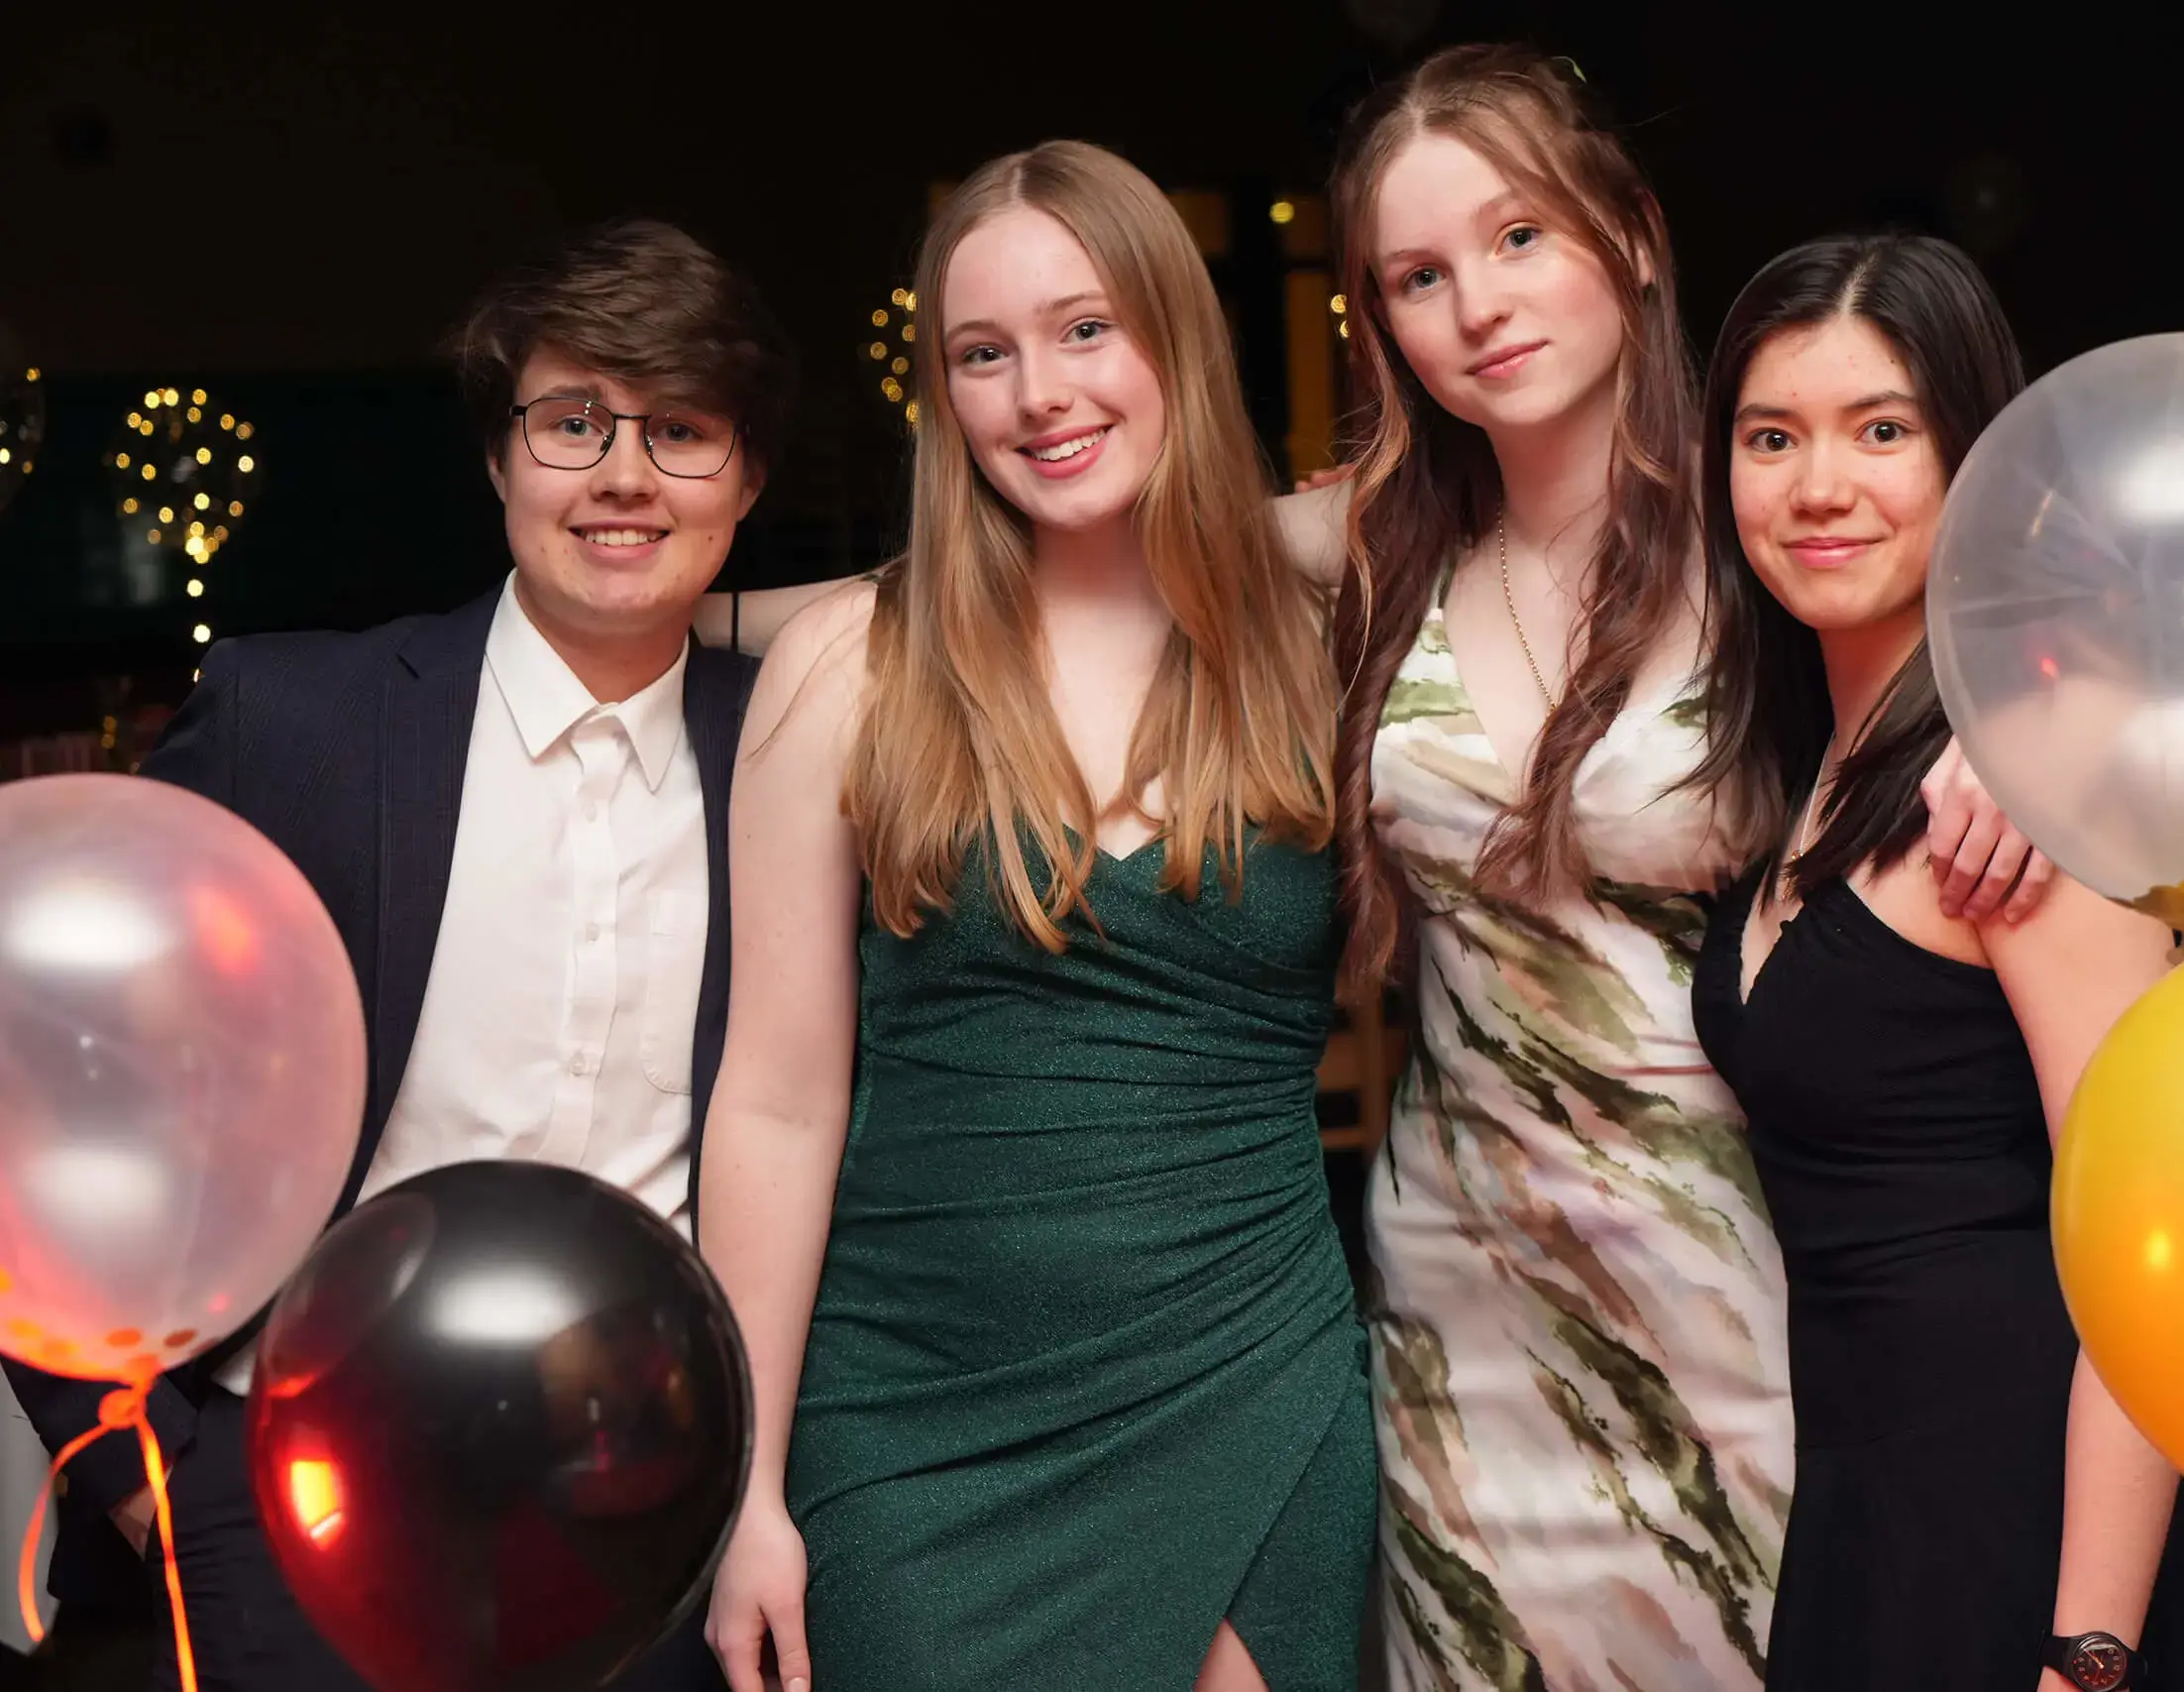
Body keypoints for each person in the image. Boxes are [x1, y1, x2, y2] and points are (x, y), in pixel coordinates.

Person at [1323, 47, 2052, 1691]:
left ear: (1633, 235)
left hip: (1734, 1271)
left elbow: (2062, 586)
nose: (1477, 308)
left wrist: (2028, 711)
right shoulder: (1374, 557)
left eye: (1519, 238)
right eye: (1418, 277)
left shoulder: (1777, 529)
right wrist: (699, 620)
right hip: (1460, 1289)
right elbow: (1090, 565)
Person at [1, 217, 785, 1692]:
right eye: (572, 424)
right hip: (295, 1499)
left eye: (679, 430)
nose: (623, 474)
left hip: (656, 1510)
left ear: (747, 475)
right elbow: (39, 1046)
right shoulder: (296, 722)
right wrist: (133, 1458)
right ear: (499, 461)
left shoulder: (801, 752)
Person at [697, 141, 1372, 1692]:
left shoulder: (1322, 633)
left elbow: (1601, 550)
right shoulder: (850, 665)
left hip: (1251, 1382)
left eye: (1087, 329)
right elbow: (782, 1101)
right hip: (914, 1424)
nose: (1038, 393)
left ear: (1176, 340)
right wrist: (746, 1490)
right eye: (982, 355)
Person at [1686, 233, 2184, 1690]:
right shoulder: (1819, 763)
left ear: (1983, 465)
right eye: (1772, 437)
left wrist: (2085, 1655)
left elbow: (2158, 1267)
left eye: (1883, 429)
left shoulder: (2032, 785)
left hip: (2040, 1536)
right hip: (1875, 1513)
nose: (1819, 485)